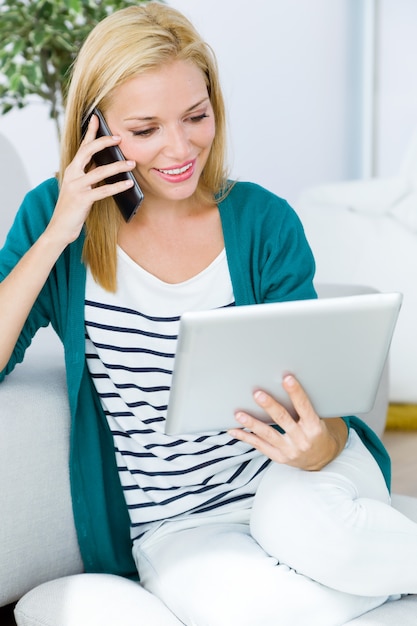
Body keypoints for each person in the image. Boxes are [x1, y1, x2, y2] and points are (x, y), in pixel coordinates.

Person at [1, 3, 416, 625]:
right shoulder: (54, 220)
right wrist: (61, 230)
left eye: (196, 116)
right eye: (145, 130)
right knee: (247, 606)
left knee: (304, 528)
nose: (180, 147)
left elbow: (321, 404)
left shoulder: (262, 221)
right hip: (179, 522)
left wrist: (315, 449)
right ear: (95, 129)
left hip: (299, 479)